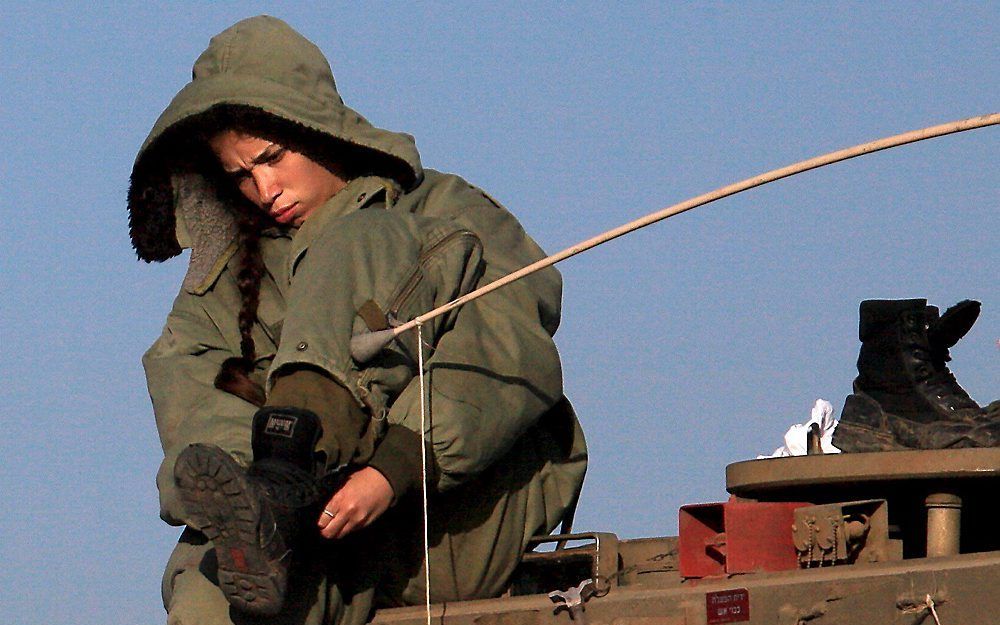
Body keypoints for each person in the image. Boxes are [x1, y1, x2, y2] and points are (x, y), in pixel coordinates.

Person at [128, 15, 587, 625]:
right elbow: (193, 399)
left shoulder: (438, 212)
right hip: (323, 537)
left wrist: (394, 467)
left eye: (271, 157)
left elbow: (509, 343)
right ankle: (275, 497)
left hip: (450, 515)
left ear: (313, 130)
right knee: (211, 586)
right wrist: (253, 494)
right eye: (239, 175)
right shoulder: (225, 286)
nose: (263, 188)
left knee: (355, 238)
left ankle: (286, 478)